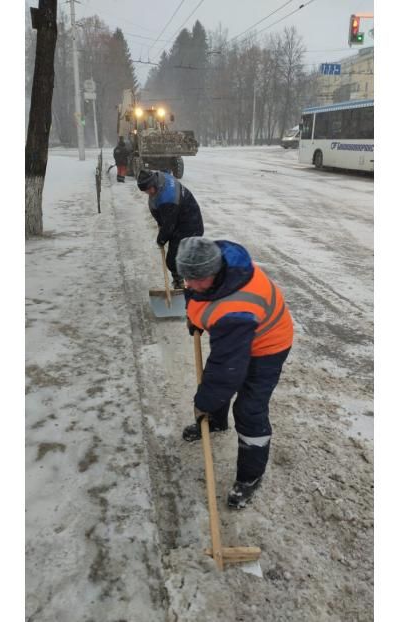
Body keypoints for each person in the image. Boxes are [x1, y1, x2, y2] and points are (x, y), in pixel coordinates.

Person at [176, 237, 294, 509]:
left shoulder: (236, 309)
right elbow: (196, 294)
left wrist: (202, 403)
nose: (190, 285)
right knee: (216, 379)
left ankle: (250, 478)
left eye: (196, 279)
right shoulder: (209, 269)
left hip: (268, 345)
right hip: (242, 333)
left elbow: (227, 370)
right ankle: (216, 422)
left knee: (249, 409)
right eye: (187, 277)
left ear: (214, 273)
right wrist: (194, 319)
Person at [137, 168, 204, 290]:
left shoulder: (168, 197)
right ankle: (184, 281)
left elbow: (169, 225)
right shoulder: (160, 177)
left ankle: (187, 284)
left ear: (153, 182)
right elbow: (166, 171)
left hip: (189, 224)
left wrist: (161, 239)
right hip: (181, 218)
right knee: (179, 258)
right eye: (146, 191)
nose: (149, 192)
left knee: (174, 260)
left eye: (149, 189)